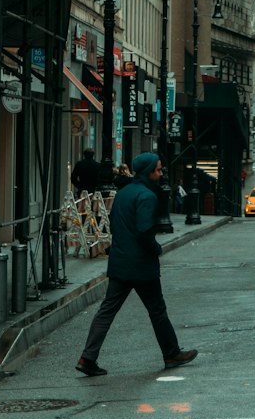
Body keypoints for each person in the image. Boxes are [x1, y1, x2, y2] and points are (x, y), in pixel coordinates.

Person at [76, 153, 198, 376]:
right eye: (158, 170)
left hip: (120, 263)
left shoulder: (123, 194)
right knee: (157, 310)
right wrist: (156, 249)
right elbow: (144, 231)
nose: (161, 174)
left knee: (106, 311)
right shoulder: (146, 196)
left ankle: (87, 358)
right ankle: (171, 353)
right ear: (149, 172)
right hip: (141, 266)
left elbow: (113, 223)